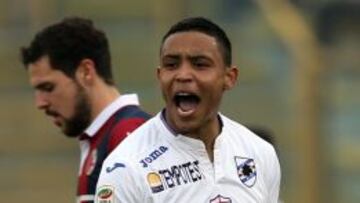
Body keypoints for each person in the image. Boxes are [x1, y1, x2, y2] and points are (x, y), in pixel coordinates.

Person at [95, 17, 281, 203]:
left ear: (229, 77)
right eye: (171, 65)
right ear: (160, 76)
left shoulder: (260, 152)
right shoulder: (126, 167)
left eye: (200, 64)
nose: (183, 75)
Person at [21, 17, 151, 203]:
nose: (40, 103)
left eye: (48, 88)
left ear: (86, 72)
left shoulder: (128, 133)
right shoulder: (99, 139)